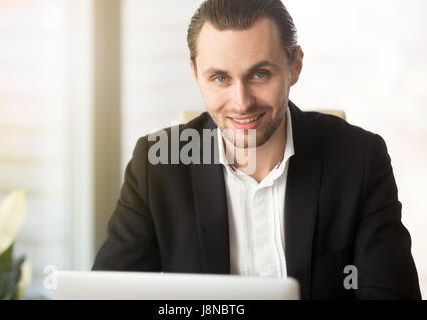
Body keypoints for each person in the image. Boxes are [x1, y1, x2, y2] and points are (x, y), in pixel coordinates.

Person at [92, 0, 421, 300]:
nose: (242, 102)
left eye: (260, 74)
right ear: (195, 74)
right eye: (220, 78)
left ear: (295, 66)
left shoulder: (360, 159)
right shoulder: (156, 166)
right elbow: (111, 295)